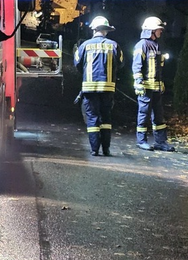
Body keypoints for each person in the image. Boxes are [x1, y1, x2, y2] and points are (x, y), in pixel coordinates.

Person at [73, 16, 123, 156]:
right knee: (106, 118)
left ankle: (94, 149)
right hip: (108, 88)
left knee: (92, 117)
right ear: (106, 30)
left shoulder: (85, 45)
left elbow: (77, 63)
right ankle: (106, 149)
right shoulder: (114, 45)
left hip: (89, 88)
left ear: (94, 29)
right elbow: (120, 63)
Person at [132, 16, 175, 152]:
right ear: (151, 30)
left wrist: (160, 82)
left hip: (155, 88)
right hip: (145, 88)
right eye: (159, 30)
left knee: (159, 115)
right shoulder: (142, 45)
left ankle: (160, 142)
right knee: (143, 114)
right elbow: (137, 66)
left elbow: (158, 68)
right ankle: (141, 140)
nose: (161, 32)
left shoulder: (156, 45)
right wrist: (139, 82)